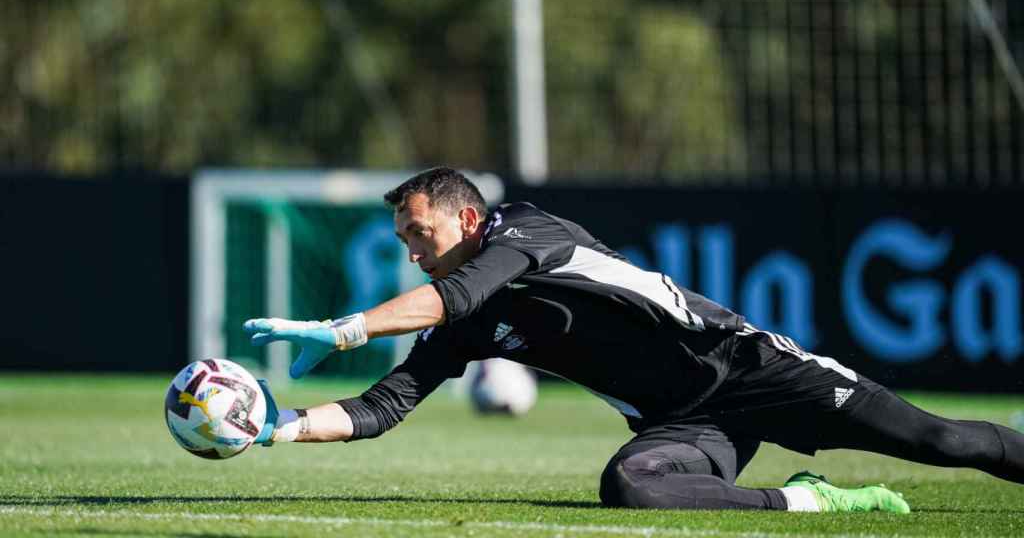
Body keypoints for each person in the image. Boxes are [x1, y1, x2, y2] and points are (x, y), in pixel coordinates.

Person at [243, 167, 1024, 513]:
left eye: (420, 232)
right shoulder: (468, 319)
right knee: (632, 488)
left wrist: (345, 328)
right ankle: (806, 503)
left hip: (752, 370)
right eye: (404, 240)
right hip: (683, 423)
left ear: (469, 219)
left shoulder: (529, 232)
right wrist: (280, 426)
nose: (411, 249)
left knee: (943, 440)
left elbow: (458, 294)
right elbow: (388, 403)